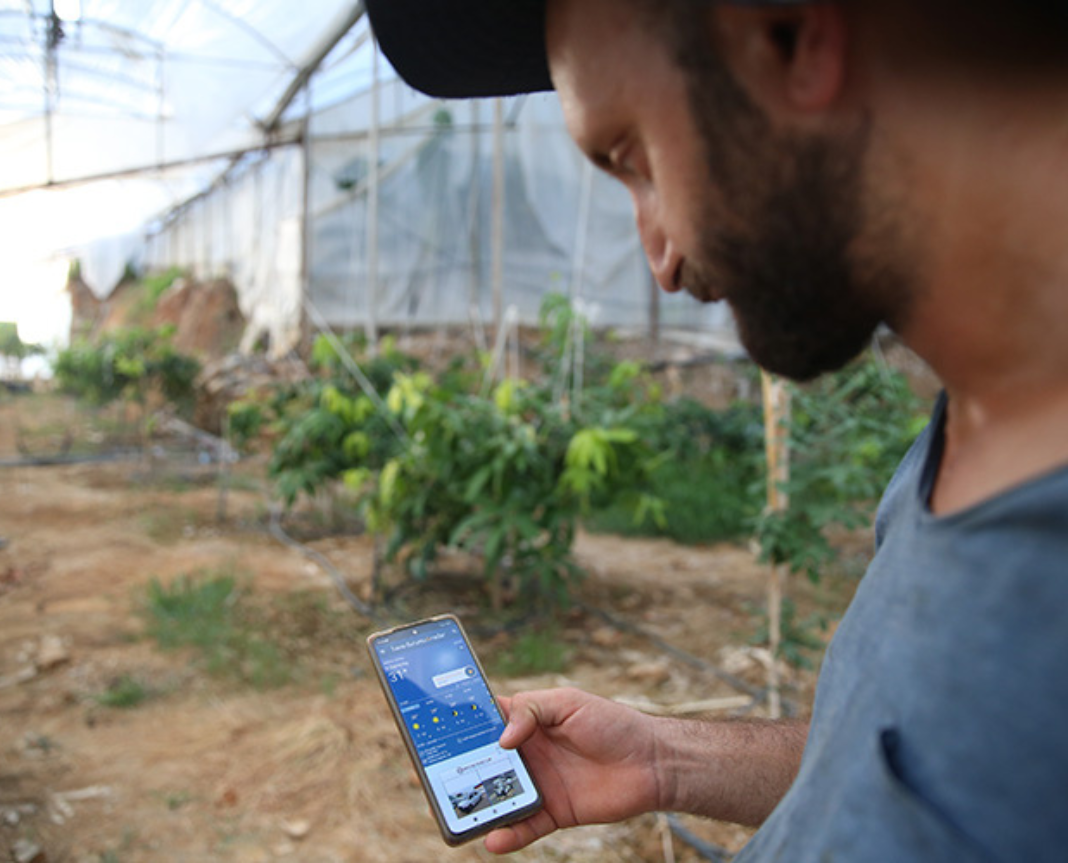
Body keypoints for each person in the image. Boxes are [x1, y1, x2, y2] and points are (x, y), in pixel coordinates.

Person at [364, 1, 1068, 859]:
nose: (658, 256)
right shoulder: (962, 438)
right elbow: (914, 764)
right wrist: (665, 757)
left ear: (791, 33)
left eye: (634, 158)